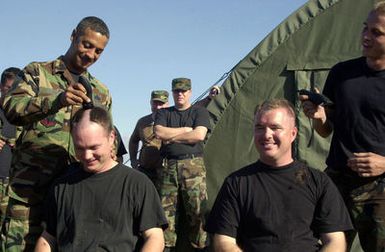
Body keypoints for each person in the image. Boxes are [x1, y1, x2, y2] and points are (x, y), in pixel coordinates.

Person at [1, 16, 112, 251]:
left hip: (73, 201)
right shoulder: (37, 72)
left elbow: (109, 142)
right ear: (73, 36)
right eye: (86, 44)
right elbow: (11, 108)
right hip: (29, 196)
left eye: (99, 51)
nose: (91, 54)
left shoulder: (101, 93)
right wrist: (56, 101)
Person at [206, 99, 353, 252]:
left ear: (293, 134)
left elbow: (335, 242)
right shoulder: (237, 183)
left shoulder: (318, 182)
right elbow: (223, 242)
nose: (266, 135)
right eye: (259, 127)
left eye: (275, 127)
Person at [34, 107, 168, 252]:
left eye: (94, 147)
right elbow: (47, 238)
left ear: (111, 138)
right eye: (79, 148)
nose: (87, 156)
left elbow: (155, 237)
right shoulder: (61, 186)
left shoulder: (137, 184)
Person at [154, 78, 210, 251]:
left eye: (184, 91)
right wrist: (185, 131)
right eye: (177, 91)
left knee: (197, 212)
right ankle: (166, 247)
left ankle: (199, 247)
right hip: (168, 167)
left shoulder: (199, 112)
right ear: (172, 92)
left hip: (193, 167)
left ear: (190, 92)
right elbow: (158, 132)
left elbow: (199, 135)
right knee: (166, 213)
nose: (180, 94)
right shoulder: (164, 113)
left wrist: (170, 137)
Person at [129, 90, 169, 187]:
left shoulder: (174, 120)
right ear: (150, 103)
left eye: (161, 103)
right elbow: (133, 141)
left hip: (166, 172)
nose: (158, 107)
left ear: (167, 104)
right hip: (145, 170)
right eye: (155, 103)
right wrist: (133, 160)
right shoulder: (143, 122)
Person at [0, 67, 21, 217]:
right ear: (1, 87)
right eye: (8, 88)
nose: (11, 93)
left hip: (16, 185)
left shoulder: (27, 116)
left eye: (15, 89)